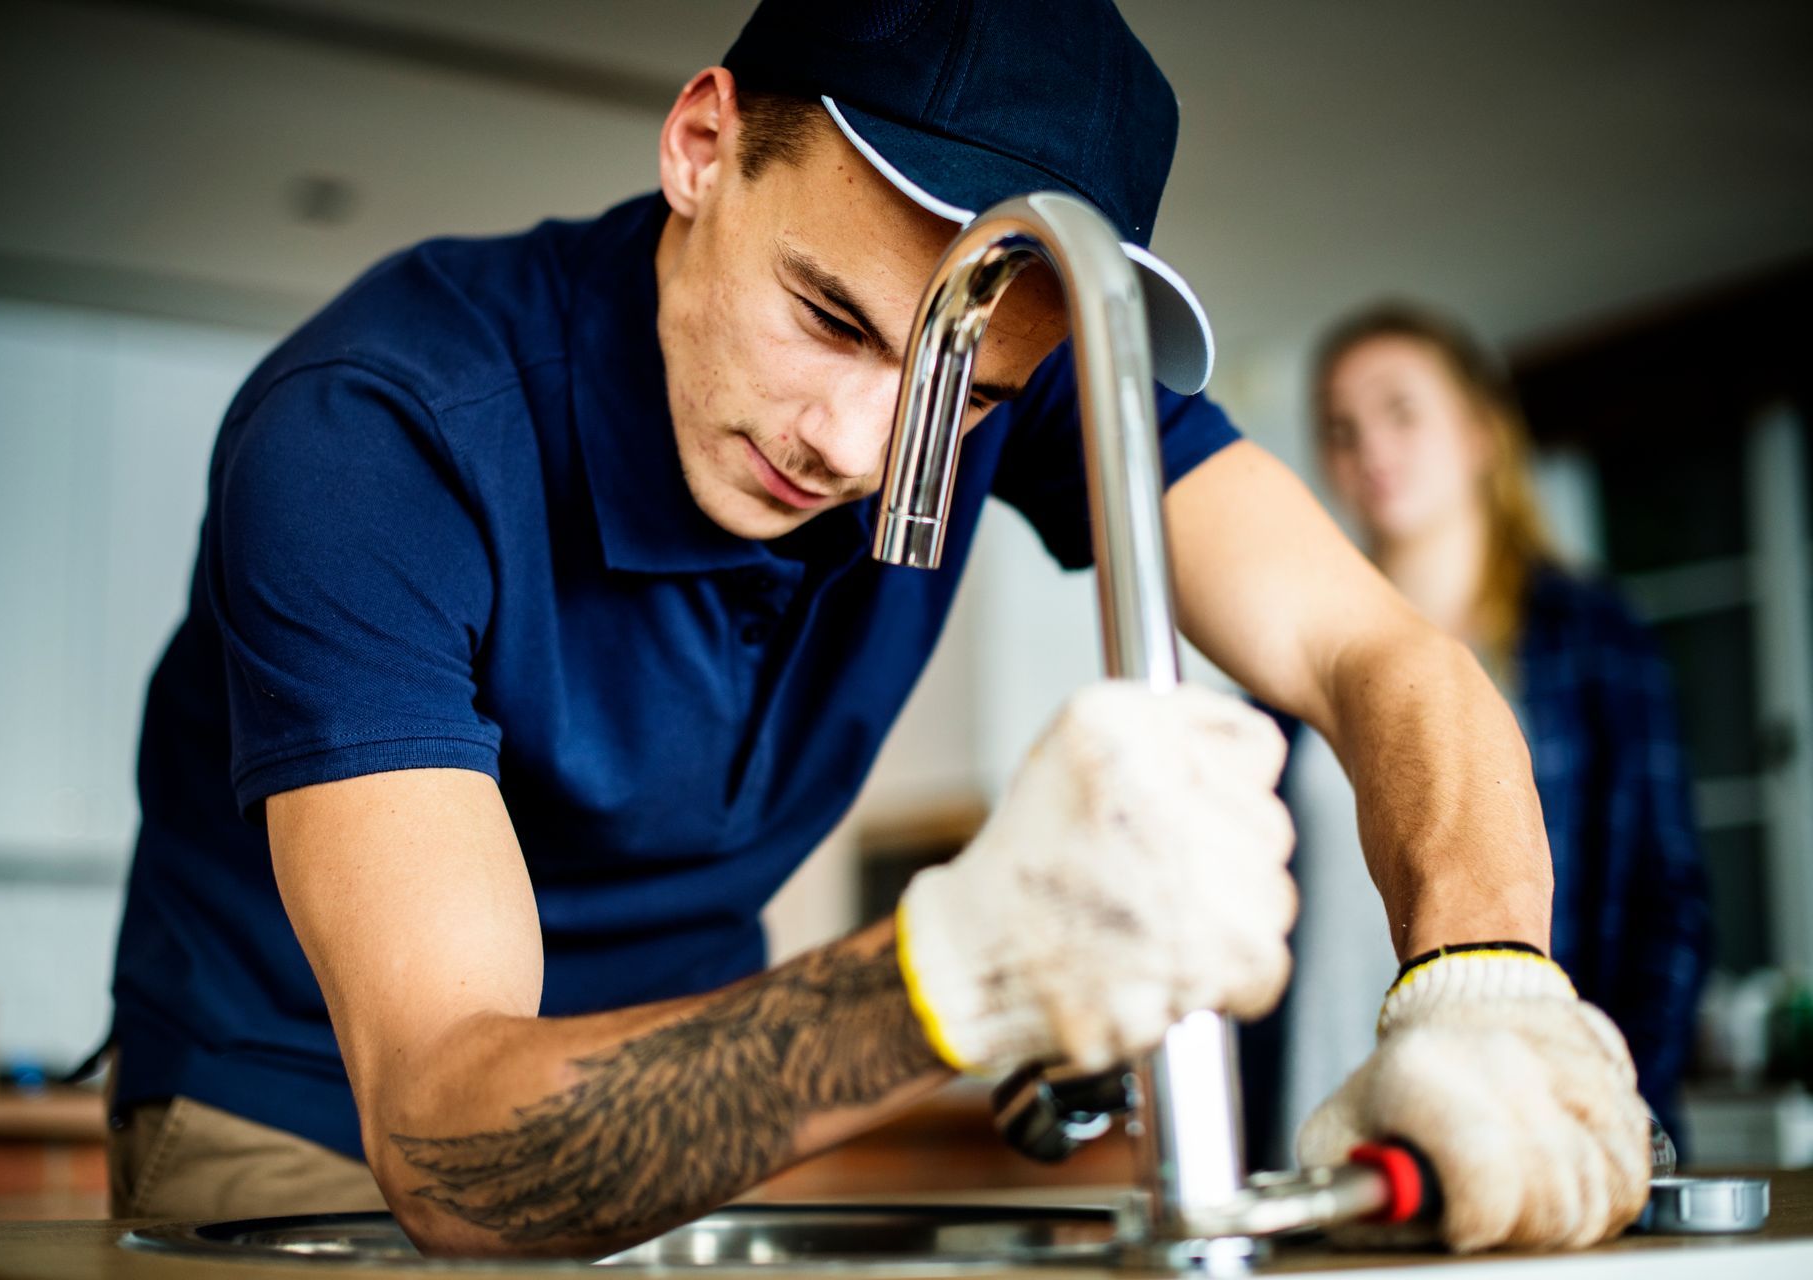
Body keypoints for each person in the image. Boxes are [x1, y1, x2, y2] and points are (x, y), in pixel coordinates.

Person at [108, 0, 1650, 1257]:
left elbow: (1374, 655)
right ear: (703, 145)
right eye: (830, 319)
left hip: (689, 1104)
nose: (858, 444)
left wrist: (1484, 978)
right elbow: (446, 1130)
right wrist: (958, 976)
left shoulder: (995, 370)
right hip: (304, 1122)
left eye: (960, 397)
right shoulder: (377, 435)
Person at [1253, 301, 1709, 1162]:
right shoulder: (1292, 659)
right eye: (1340, 427)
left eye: (1400, 410)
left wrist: (1611, 1105)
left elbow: (1667, 901)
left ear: (1478, 433)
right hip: (1317, 1114)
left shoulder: (1593, 640)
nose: (1369, 448)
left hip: (1526, 1126)